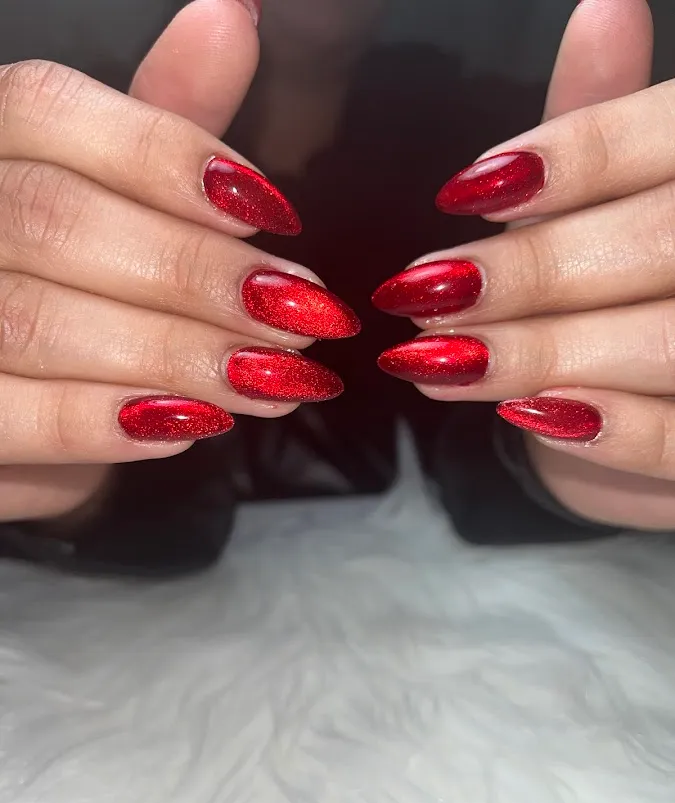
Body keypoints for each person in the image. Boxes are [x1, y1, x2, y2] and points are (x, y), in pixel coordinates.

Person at [0, 0, 671, 576]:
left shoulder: (500, 124)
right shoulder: (79, 128)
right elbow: (167, 532)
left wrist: (585, 455)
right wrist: (64, 470)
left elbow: (472, 461)